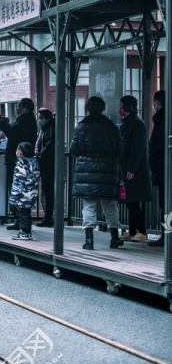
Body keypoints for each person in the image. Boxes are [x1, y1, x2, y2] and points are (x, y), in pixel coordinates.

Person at [71, 96, 125, 250]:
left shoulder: (81, 127)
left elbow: (74, 150)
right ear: (103, 108)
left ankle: (89, 241)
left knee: (88, 206)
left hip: (86, 173)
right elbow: (119, 150)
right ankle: (114, 238)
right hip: (108, 171)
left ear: (88, 109)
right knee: (110, 206)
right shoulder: (112, 127)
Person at [0, 98, 38, 228]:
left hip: (18, 160)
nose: (17, 109)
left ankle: (21, 221)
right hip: (18, 159)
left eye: (19, 106)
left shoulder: (26, 121)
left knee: (18, 191)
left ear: (25, 108)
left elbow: (13, 134)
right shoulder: (27, 120)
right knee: (20, 191)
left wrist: (3, 125)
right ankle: (20, 220)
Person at [118, 95, 152, 242]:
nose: (120, 108)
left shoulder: (137, 124)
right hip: (127, 169)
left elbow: (138, 149)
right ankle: (132, 230)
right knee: (129, 201)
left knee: (134, 201)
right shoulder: (128, 123)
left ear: (127, 106)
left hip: (135, 171)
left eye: (122, 105)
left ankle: (142, 231)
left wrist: (131, 168)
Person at [9, 142, 40, 241]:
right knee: (27, 213)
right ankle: (27, 232)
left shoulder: (21, 164)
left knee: (22, 213)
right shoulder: (34, 162)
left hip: (23, 194)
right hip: (32, 193)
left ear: (20, 152)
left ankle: (24, 233)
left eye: (18, 150)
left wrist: (13, 197)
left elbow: (18, 182)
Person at [149, 90, 165, 247]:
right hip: (164, 168)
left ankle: (167, 235)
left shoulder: (161, 121)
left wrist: (153, 163)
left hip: (164, 169)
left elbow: (155, 147)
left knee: (166, 205)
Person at [35, 108, 56, 228]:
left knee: (47, 192)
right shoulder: (45, 129)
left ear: (47, 118)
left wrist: (40, 155)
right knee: (46, 191)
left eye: (41, 118)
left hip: (48, 164)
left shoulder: (50, 129)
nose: (39, 121)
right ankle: (47, 217)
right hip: (46, 163)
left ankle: (48, 218)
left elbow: (49, 145)